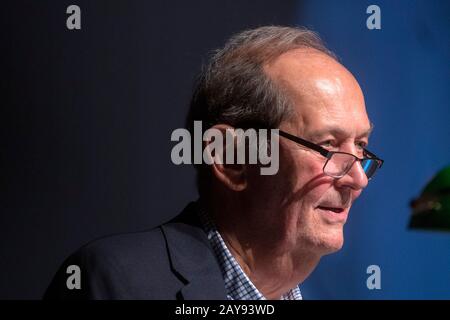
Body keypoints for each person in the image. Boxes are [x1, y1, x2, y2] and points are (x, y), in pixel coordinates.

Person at [44, 25, 383, 300]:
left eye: (361, 147)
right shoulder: (117, 281)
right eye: (327, 146)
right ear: (232, 159)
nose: (358, 178)